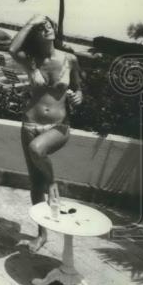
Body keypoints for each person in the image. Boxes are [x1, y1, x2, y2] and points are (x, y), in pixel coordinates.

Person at [8, 14, 84, 253]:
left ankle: (53, 183)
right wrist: (32, 21)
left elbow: (80, 90)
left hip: (58, 127)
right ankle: (41, 235)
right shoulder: (30, 60)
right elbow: (12, 49)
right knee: (34, 184)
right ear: (34, 34)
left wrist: (79, 96)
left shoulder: (70, 58)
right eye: (41, 28)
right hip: (30, 125)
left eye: (49, 25)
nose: (47, 29)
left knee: (37, 151)